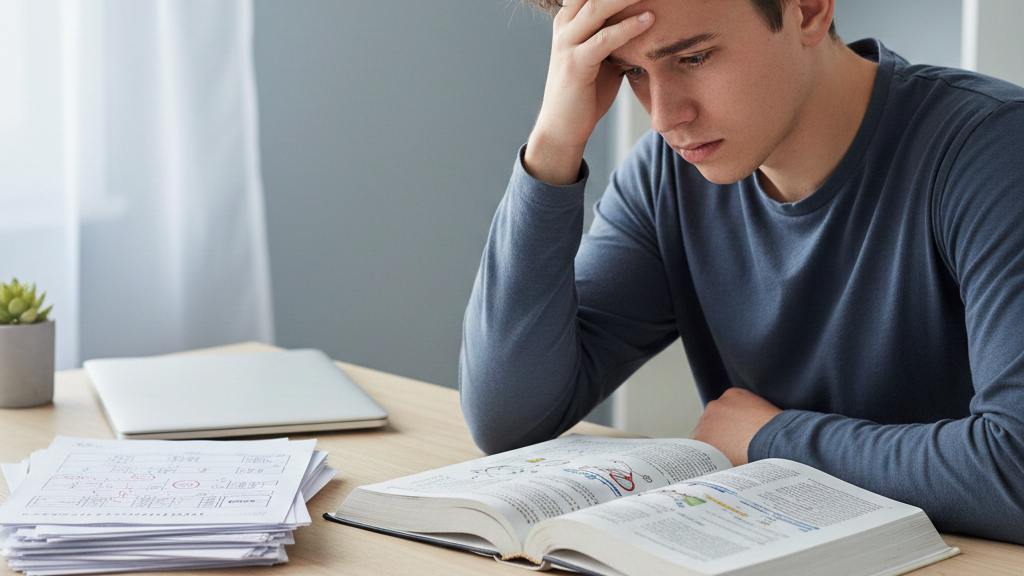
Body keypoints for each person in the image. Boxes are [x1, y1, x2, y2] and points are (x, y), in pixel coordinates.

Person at [459, 0, 1024, 543]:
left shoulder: (995, 152)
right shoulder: (670, 178)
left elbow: (1017, 467)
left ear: (806, 9)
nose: (663, 118)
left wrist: (770, 441)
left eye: (694, 58)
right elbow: (509, 418)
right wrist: (555, 142)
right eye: (630, 70)